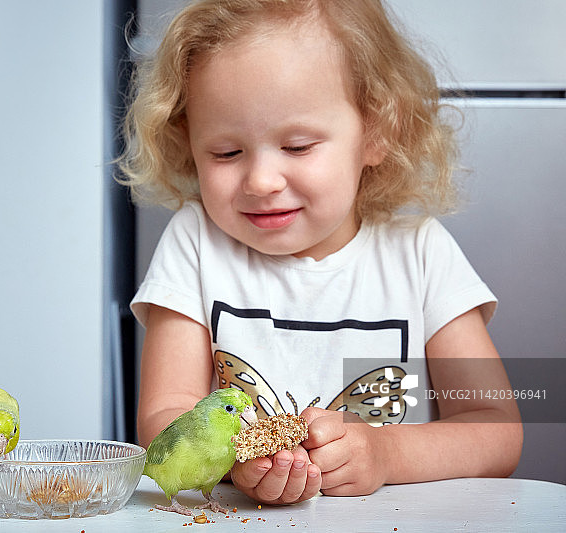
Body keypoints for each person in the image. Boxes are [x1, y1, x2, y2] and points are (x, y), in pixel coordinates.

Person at [118, 0, 522, 505]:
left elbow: (496, 427)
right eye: (226, 152)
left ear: (376, 132)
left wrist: (386, 452)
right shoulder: (195, 243)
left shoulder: (420, 253)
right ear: (187, 139)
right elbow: (164, 423)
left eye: (298, 146)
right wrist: (234, 459)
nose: (262, 181)